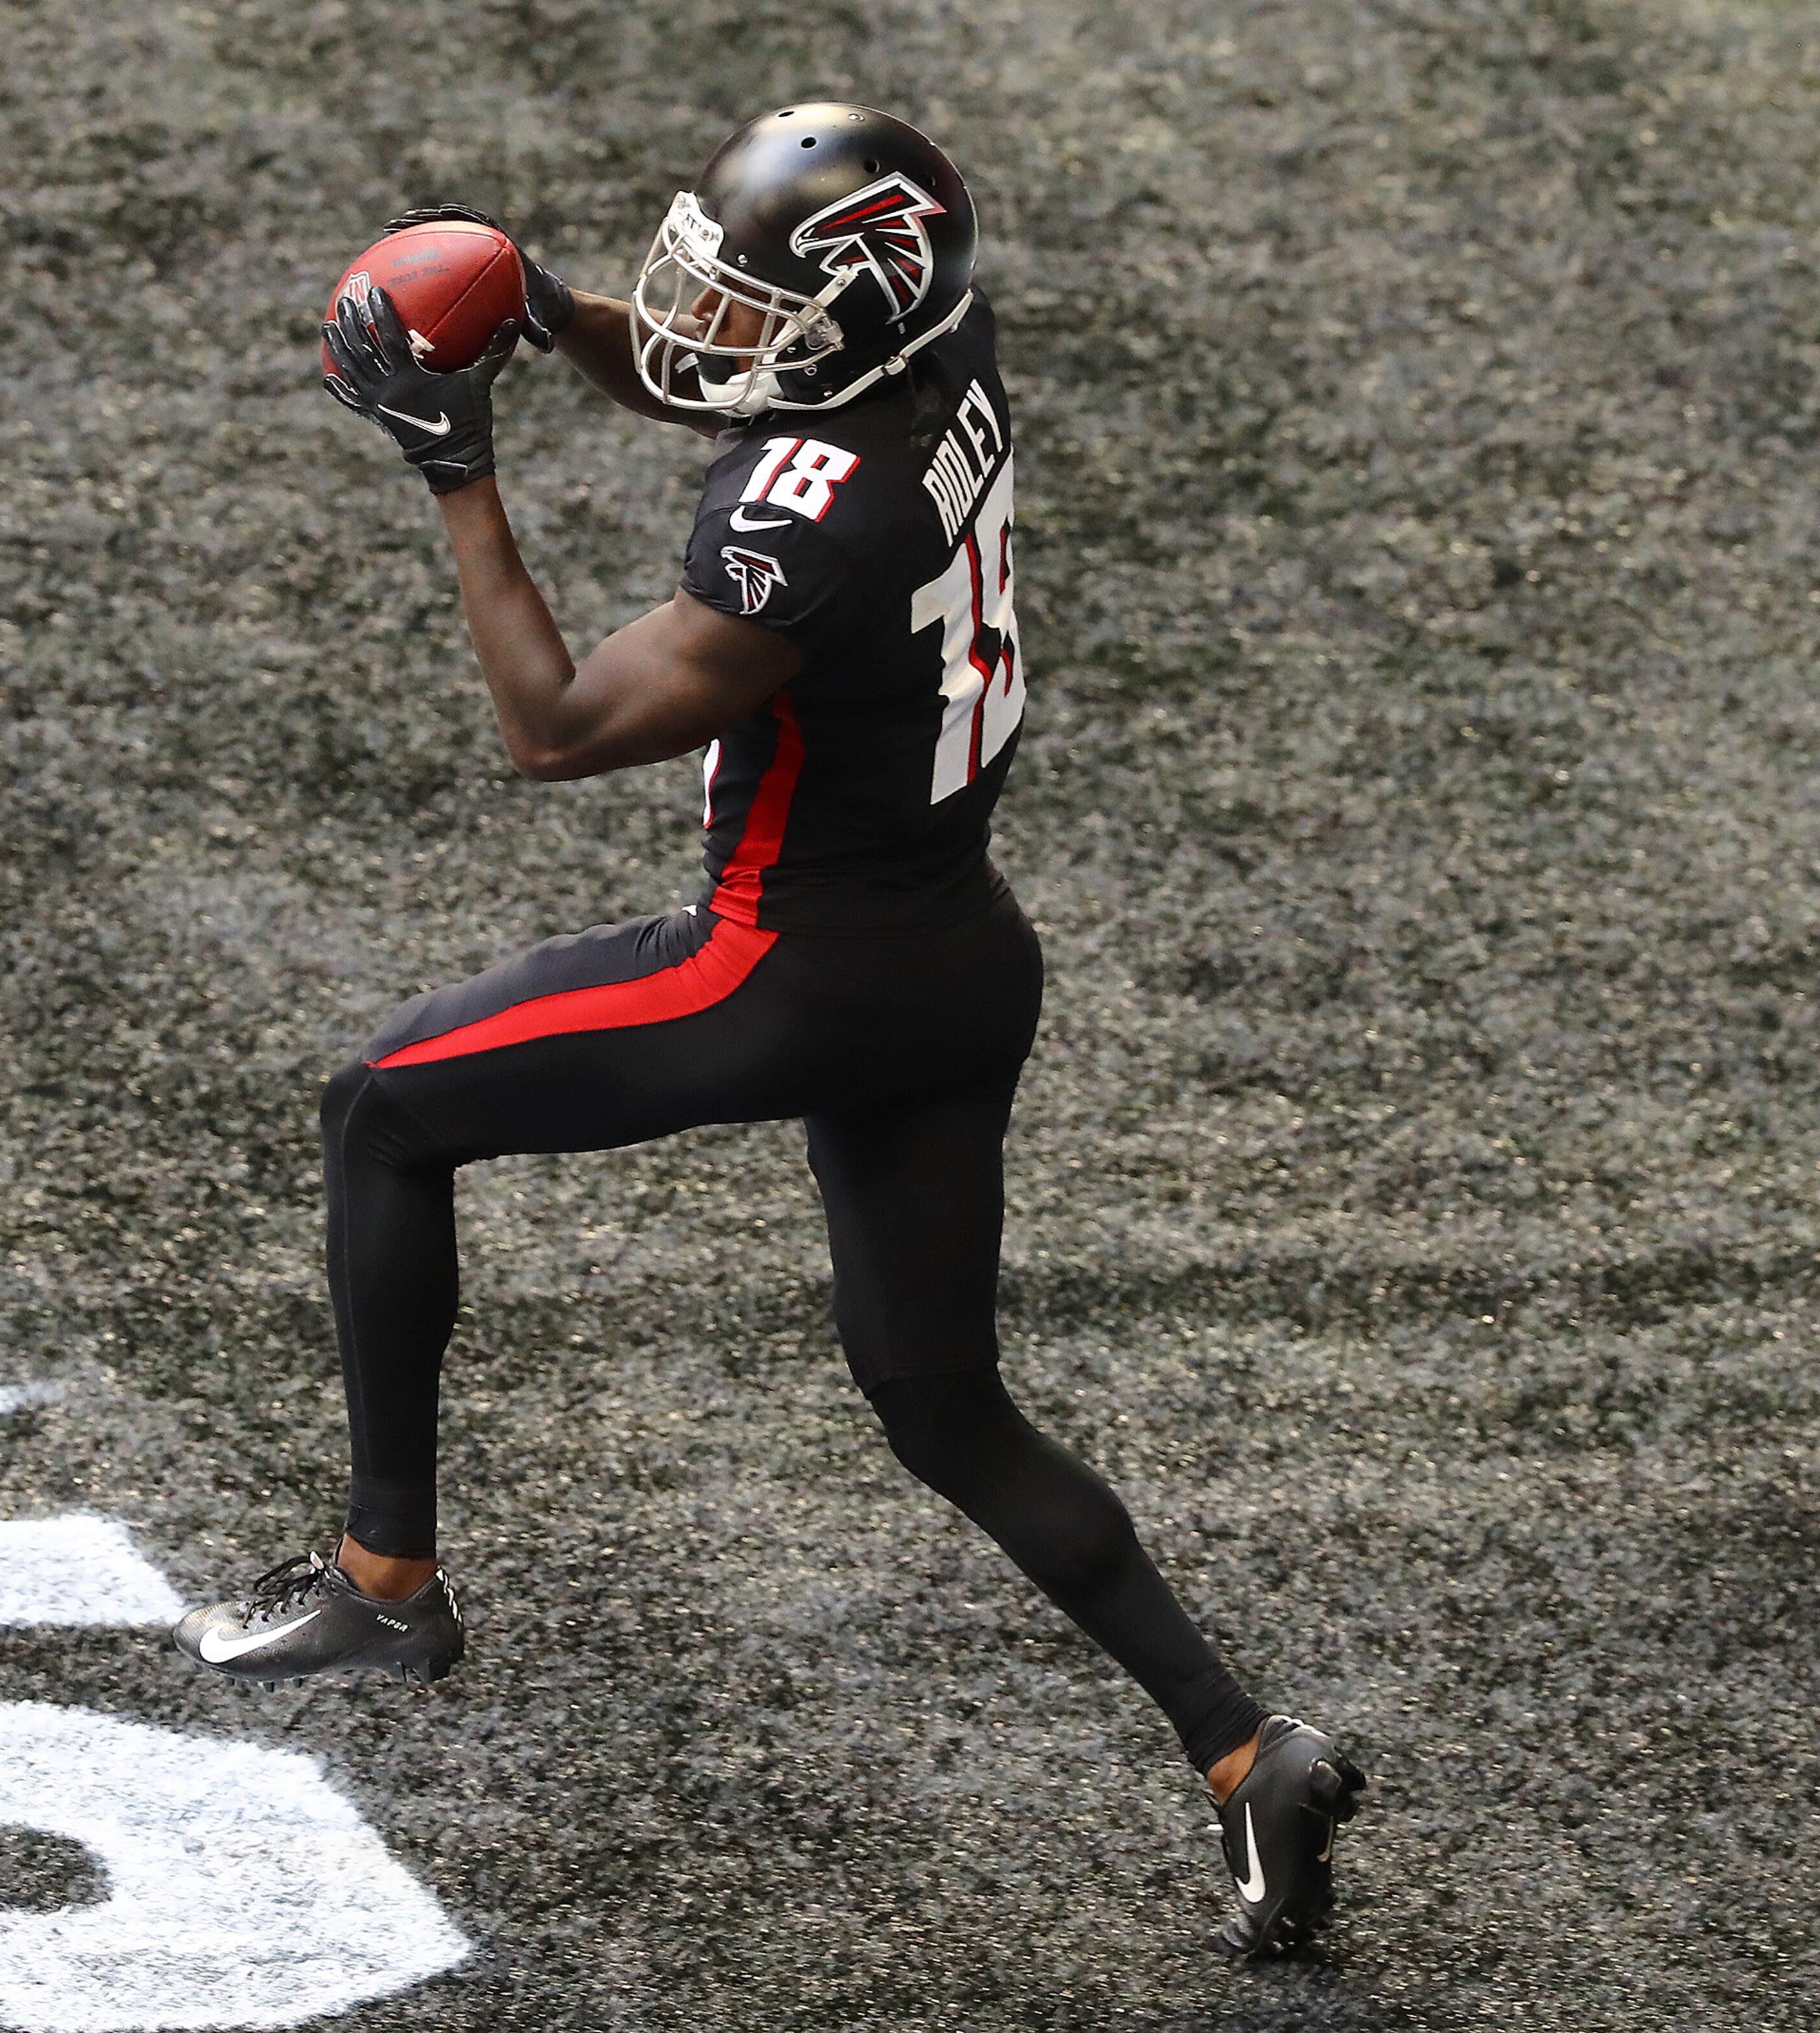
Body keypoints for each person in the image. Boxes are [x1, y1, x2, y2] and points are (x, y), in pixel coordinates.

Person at [173, 102, 1364, 1955]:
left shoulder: (806, 519)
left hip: (785, 966)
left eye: (747, 307)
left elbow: (554, 724)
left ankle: (385, 1584)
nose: (707, 330)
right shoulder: (938, 351)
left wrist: (452, 460)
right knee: (944, 1405)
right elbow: (737, 386)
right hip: (958, 961)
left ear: (842, 329)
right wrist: (548, 310)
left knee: (386, 1107)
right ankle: (1244, 1751)